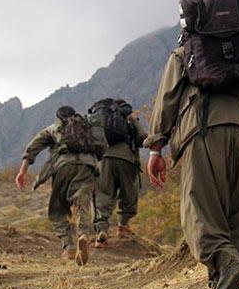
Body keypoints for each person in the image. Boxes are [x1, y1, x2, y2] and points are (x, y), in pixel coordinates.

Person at [145, 0, 239, 289]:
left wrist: (156, 147)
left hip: (205, 129)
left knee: (199, 209)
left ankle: (225, 265)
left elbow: (168, 98)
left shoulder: (186, 50)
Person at [15, 106, 106, 266]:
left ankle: (69, 246)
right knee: (82, 202)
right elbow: (101, 147)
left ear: (58, 117)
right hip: (87, 166)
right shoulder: (86, 127)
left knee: (58, 209)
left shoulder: (54, 128)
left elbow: (33, 147)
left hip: (63, 166)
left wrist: (23, 170)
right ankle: (83, 234)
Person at [90, 98, 147, 247]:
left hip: (104, 159)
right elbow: (142, 137)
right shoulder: (128, 115)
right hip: (126, 158)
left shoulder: (102, 118)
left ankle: (101, 231)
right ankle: (123, 226)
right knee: (128, 192)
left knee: (103, 194)